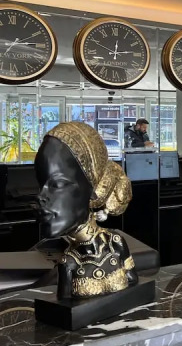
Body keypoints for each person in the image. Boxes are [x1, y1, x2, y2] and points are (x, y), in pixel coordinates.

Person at [34, 121, 137, 299]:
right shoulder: (68, 263)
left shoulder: (116, 243)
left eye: (57, 184)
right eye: (40, 185)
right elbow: (65, 307)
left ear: (93, 188)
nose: (40, 196)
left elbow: (133, 282)